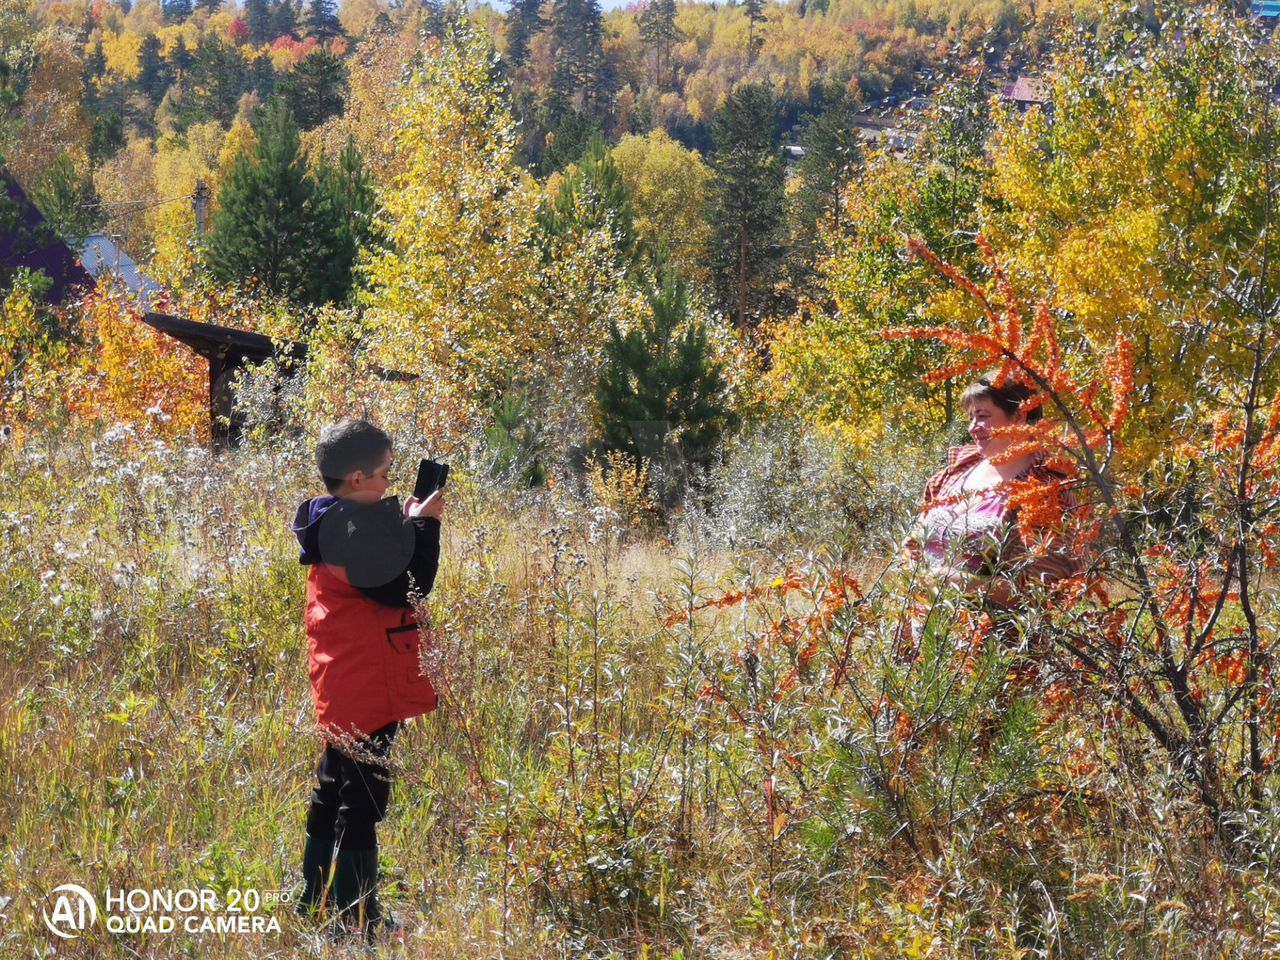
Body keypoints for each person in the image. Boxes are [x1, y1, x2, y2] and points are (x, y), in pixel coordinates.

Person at [289, 419, 445, 938]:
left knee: (333, 787)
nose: (389, 481)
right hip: (367, 682)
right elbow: (411, 585)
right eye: (384, 473)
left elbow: (380, 569)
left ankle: (315, 899)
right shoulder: (352, 532)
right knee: (362, 800)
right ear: (357, 478)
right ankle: (356, 918)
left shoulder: (333, 520)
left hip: (344, 677)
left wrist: (402, 524)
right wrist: (424, 527)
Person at [906, 374, 1078, 608]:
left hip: (987, 628)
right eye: (971, 417)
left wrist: (959, 582)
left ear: (1019, 416)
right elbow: (912, 543)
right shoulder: (953, 474)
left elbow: (1044, 589)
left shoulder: (1045, 491)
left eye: (983, 416)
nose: (972, 428)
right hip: (918, 625)